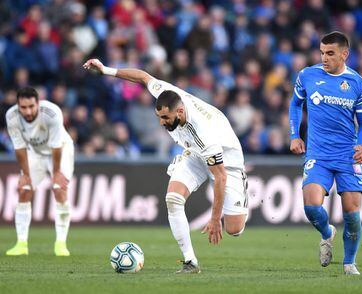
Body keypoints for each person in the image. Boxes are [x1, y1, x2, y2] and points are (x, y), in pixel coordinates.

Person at [83, 58, 248, 274]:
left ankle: (242, 190)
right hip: (195, 154)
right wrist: (106, 70)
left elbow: (221, 177)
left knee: (234, 229)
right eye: (159, 117)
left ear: (179, 113)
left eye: (165, 117)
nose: (162, 122)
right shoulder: (166, 93)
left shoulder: (203, 133)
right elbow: (143, 77)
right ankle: (191, 262)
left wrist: (215, 219)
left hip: (227, 162)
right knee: (173, 199)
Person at [289, 31, 362, 275]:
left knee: (352, 215)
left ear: (345, 54)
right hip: (318, 154)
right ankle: (327, 233)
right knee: (311, 207)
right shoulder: (307, 75)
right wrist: (295, 135)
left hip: (347, 155)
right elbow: (295, 104)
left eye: (330, 53)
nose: (324, 58)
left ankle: (349, 264)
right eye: (322, 52)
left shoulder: (357, 83)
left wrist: (361, 144)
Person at [5, 87, 74, 256]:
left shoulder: (52, 113)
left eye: (31, 106)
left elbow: (56, 145)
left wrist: (56, 172)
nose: (27, 111)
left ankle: (60, 244)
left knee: (59, 189)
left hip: (61, 151)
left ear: (38, 103)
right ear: (18, 106)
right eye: (23, 107)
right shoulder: (11, 116)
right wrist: (26, 175)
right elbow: (19, 147)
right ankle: (21, 244)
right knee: (24, 190)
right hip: (34, 151)